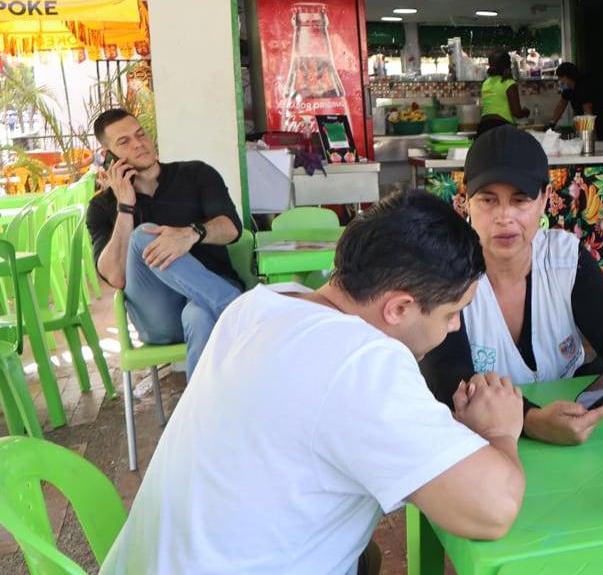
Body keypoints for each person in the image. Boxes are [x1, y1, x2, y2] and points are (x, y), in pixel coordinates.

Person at [100, 190, 527, 574]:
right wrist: (498, 431)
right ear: (399, 308)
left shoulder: (262, 305)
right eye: (453, 312)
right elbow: (493, 509)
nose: (454, 328)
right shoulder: (361, 361)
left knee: (367, 555)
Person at [420, 125, 603, 445]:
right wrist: (531, 420)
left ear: (545, 198)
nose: (504, 217)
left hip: (571, 424)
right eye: (488, 200)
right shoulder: (445, 272)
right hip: (482, 445)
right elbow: (448, 376)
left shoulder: (564, 258)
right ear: (467, 202)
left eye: (520, 200)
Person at [86, 108, 245, 376]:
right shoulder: (102, 207)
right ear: (109, 157)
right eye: (124, 142)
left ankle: (202, 415)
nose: (139, 143)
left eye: (140, 134)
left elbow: (232, 228)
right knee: (142, 234)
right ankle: (239, 308)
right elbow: (115, 276)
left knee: (199, 315)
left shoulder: (196, 174)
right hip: (159, 316)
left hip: (209, 293)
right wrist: (125, 206)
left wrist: (191, 234)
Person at [549, 61, 603, 138]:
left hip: (602, 124)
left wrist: (592, 136)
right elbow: (561, 105)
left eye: (560, 78)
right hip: (587, 125)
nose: (559, 81)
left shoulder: (583, 87)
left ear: (567, 77)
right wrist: (552, 123)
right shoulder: (568, 90)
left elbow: (588, 113)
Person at [478, 50, 527, 137]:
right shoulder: (509, 83)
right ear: (508, 65)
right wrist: (526, 112)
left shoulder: (485, 83)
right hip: (502, 129)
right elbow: (516, 112)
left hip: (483, 128)